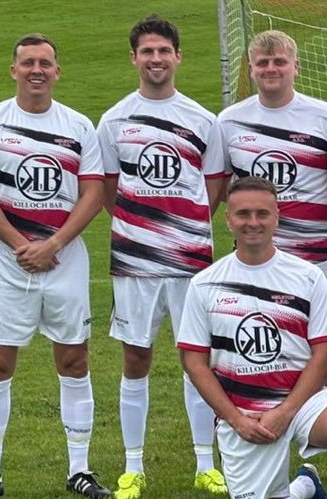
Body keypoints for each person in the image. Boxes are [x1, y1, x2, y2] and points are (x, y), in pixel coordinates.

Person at [0, 33, 110, 498]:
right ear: (13, 70)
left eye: (45, 62)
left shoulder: (80, 126)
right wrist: (22, 244)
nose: (36, 70)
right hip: (8, 260)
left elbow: (94, 194)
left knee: (74, 358)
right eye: (28, 63)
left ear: (57, 71)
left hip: (65, 258)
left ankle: (79, 470)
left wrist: (56, 242)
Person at [95, 15, 230, 498]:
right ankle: (132, 468)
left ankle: (204, 464)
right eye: (146, 51)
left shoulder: (202, 120)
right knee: (136, 357)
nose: (155, 59)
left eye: (163, 51)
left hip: (192, 261)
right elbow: (109, 188)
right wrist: (143, 229)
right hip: (135, 262)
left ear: (178, 57)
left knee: (198, 358)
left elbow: (213, 187)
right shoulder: (113, 120)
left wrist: (181, 228)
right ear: (134, 58)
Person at [177, 177, 327, 499]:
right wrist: (235, 419)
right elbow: (194, 363)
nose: (253, 222)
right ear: (228, 219)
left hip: (302, 401)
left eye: (262, 214)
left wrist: (286, 411)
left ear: (277, 217)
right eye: (243, 214)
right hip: (245, 412)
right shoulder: (204, 284)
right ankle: (305, 487)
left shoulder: (307, 276)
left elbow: (325, 352)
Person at [218, 30, 327, 396]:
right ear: (251, 68)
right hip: (256, 260)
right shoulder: (229, 122)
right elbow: (220, 190)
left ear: (297, 66)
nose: (271, 68)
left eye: (279, 61)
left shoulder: (326, 119)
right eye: (263, 62)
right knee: (263, 349)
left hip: (317, 255)